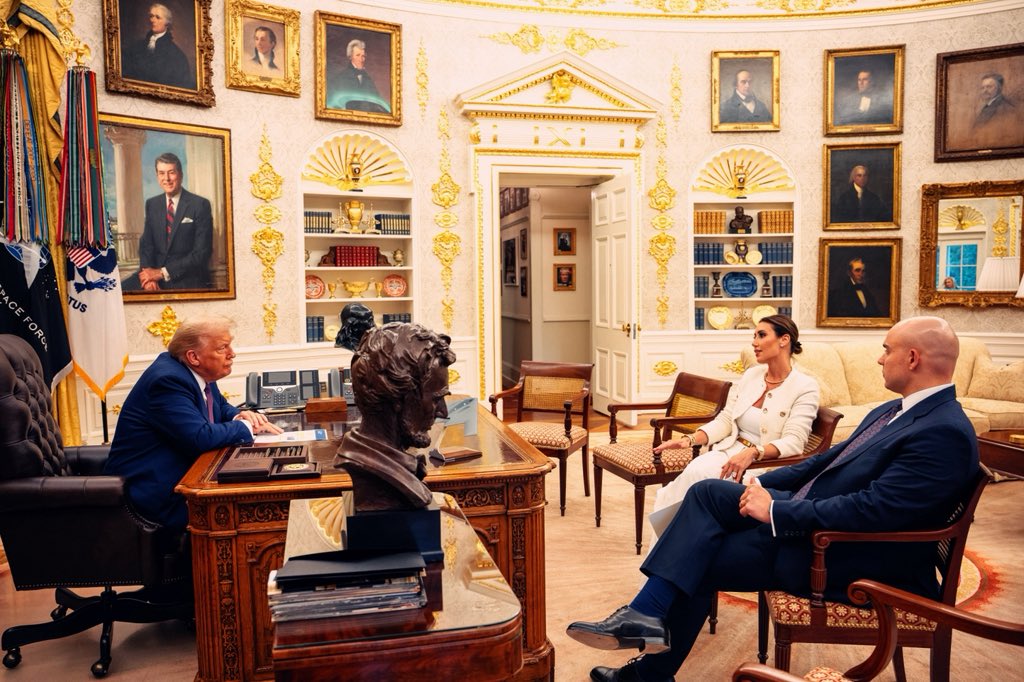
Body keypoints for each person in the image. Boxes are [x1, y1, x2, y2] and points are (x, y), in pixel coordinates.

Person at [567, 316, 979, 682]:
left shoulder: (943, 431)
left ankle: (648, 666)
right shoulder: (894, 410)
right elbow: (825, 461)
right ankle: (644, 616)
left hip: (844, 554)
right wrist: (761, 484)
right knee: (708, 491)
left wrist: (779, 511)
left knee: (699, 556)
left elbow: (875, 511)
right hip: (814, 517)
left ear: (912, 358)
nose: (879, 359)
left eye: (886, 350)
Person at [646, 315, 819, 540]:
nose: (754, 342)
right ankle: (670, 545)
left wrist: (754, 452)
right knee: (691, 475)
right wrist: (690, 439)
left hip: (762, 466)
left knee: (699, 484)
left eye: (761, 335)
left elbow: (794, 442)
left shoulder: (805, 387)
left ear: (784, 340)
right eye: (754, 336)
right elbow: (726, 420)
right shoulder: (752, 376)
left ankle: (674, 545)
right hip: (728, 451)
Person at [104, 316, 282, 531]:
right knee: (255, 510)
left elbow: (220, 407)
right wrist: (246, 427)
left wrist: (241, 416)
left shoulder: (196, 372)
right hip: (157, 495)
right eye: (222, 348)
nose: (232, 353)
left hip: (185, 478)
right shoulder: (167, 381)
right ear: (194, 357)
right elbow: (200, 437)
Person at [333, 323, 455, 511]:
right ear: (398, 399)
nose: (443, 412)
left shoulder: (390, 461)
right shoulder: (374, 471)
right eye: (436, 399)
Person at [123, 153, 214, 291]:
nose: (166, 179)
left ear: (180, 175)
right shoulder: (152, 204)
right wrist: (148, 276)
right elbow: (146, 245)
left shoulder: (200, 205)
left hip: (185, 277)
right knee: (116, 292)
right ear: (157, 176)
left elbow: (201, 253)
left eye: (171, 172)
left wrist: (161, 273)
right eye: (161, 173)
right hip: (153, 274)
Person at [122, 3, 195, 90]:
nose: (152, 20)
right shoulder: (137, 46)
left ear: (167, 23)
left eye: (158, 17)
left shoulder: (176, 55)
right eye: (151, 16)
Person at [328, 39, 390, 113]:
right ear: (350, 57)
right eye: (357, 55)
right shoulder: (340, 78)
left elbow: (377, 101)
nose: (361, 59)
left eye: (363, 56)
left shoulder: (368, 79)